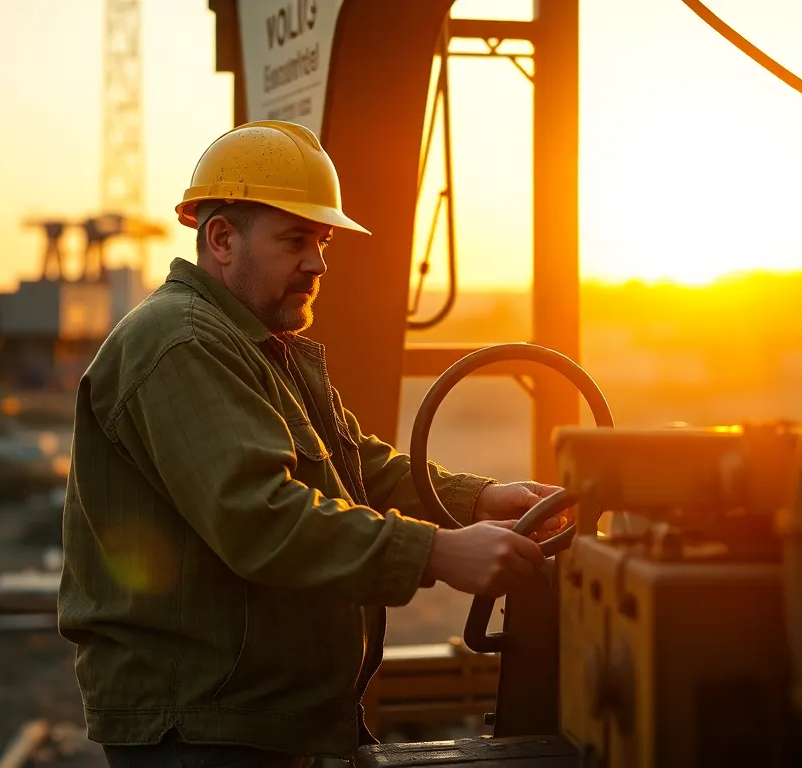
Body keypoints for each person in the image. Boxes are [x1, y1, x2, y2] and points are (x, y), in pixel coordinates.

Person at [58, 120, 567, 768]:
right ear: (221, 239)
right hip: (199, 730)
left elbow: (357, 466)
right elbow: (258, 516)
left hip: (252, 718)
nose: (318, 262)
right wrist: (436, 553)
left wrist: (480, 500)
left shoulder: (256, 345)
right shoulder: (182, 344)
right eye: (296, 239)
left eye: (322, 240)